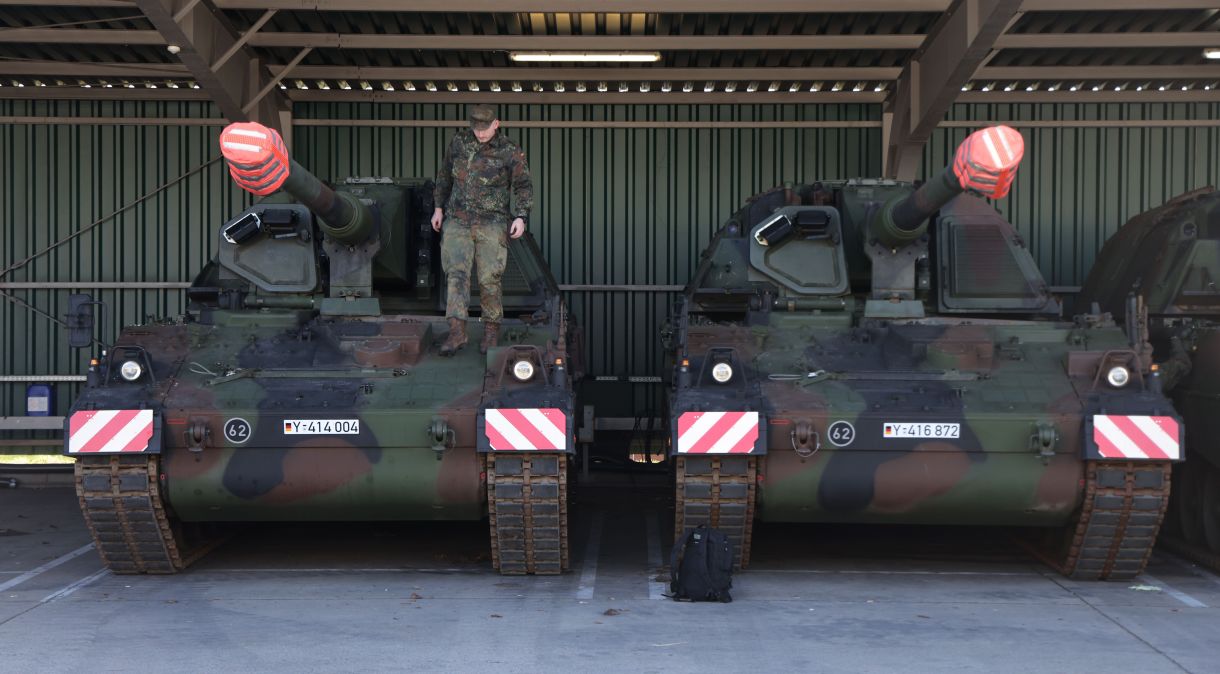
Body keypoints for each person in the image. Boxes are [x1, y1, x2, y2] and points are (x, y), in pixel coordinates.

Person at [431, 104, 533, 356]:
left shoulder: (509, 150)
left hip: (492, 221)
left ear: (496, 124)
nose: (481, 134)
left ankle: (490, 333)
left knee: (490, 278)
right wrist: (438, 208)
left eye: (485, 129)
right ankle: (456, 333)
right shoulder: (458, 143)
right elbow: (444, 175)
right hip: (458, 219)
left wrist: (520, 216)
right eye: (476, 129)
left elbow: (523, 185)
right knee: (455, 275)